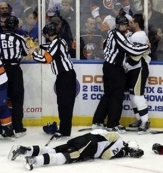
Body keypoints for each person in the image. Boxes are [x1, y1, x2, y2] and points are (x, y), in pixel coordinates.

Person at [91, 15, 150, 133]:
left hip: (108, 67)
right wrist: (146, 47)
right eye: (121, 25)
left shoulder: (112, 33)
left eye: (125, 25)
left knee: (108, 95)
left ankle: (98, 121)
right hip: (115, 69)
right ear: (118, 25)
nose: (124, 27)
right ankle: (112, 124)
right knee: (116, 97)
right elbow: (131, 49)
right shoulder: (118, 35)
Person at [9, 130, 144, 170]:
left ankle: (25, 150)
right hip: (90, 145)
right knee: (65, 157)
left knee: (55, 150)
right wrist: (123, 153)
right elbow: (106, 156)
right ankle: (34, 160)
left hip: (83, 138)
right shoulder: (119, 142)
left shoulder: (112, 134)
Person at [32, 22, 76, 138]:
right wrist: (40, 46)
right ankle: (64, 129)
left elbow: (46, 59)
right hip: (66, 76)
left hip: (65, 77)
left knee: (64, 105)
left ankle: (64, 131)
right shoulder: (60, 40)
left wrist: (34, 54)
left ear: (46, 34)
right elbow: (51, 47)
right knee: (64, 104)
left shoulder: (56, 43)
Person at [0, 15, 28, 138]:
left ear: (4, 25)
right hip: (15, 69)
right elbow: (26, 53)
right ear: (16, 26)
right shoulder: (19, 38)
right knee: (17, 99)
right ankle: (18, 127)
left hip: (1, 69)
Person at [124, 14, 151, 134]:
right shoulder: (134, 35)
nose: (129, 24)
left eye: (131, 22)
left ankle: (145, 122)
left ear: (136, 24)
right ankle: (140, 119)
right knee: (132, 95)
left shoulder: (139, 36)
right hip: (132, 68)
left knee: (137, 95)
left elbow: (134, 54)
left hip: (139, 67)